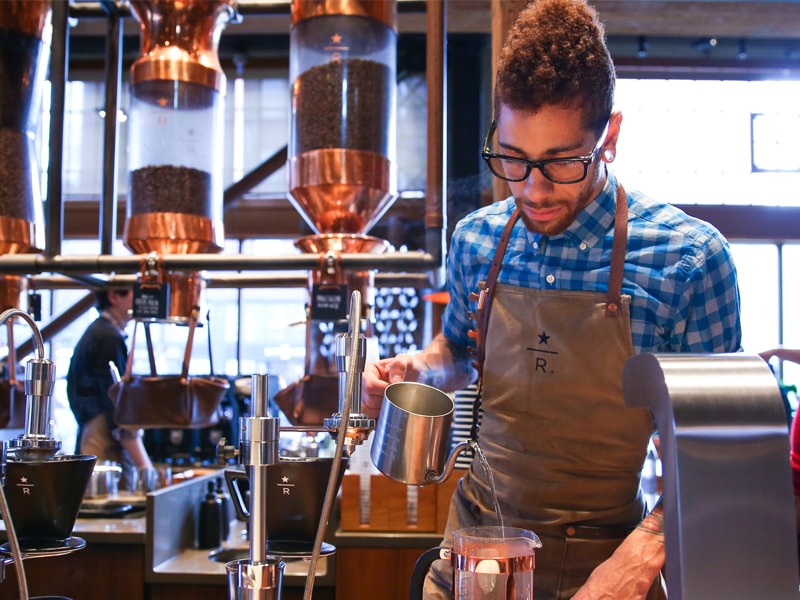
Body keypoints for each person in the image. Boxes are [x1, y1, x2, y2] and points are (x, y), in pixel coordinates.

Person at [361, 1, 742, 598]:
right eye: (513, 159)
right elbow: (459, 350)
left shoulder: (688, 262)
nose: (532, 191)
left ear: (608, 137)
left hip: (601, 569)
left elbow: (716, 453)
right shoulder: (478, 239)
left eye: (561, 162)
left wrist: (644, 554)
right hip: (474, 554)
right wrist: (418, 367)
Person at [67, 287, 153, 489]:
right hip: (103, 442)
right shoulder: (106, 337)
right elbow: (115, 404)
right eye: (136, 292)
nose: (142, 298)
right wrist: (145, 468)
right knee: (108, 508)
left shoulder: (103, 332)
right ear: (114, 296)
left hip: (96, 433)